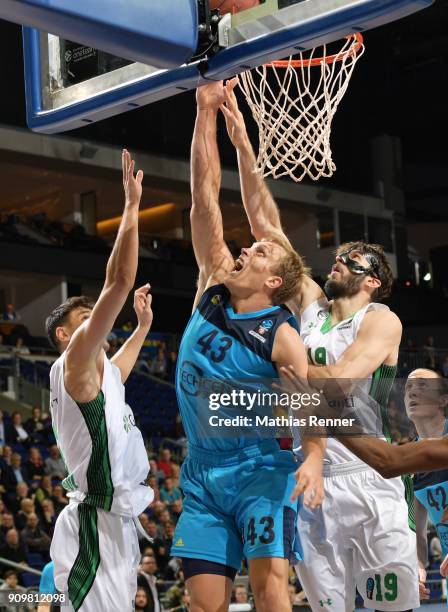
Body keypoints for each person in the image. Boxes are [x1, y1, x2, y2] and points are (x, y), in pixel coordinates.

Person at [220, 79, 419, 611]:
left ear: (373, 280)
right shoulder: (309, 307)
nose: (336, 261)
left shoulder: (381, 320)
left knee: (391, 607)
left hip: (366, 471)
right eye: (337, 256)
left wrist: (292, 372)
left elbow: (342, 382)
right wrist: (243, 146)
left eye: (351, 261)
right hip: (311, 477)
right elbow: (269, 227)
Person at [170, 82, 325, 612]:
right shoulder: (211, 285)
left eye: (257, 252)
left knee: (269, 591)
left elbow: (307, 400)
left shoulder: (281, 335)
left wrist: (315, 457)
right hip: (201, 470)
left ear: (275, 282)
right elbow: (203, 197)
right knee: (205, 603)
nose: (244, 248)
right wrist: (203, 112)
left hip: (260, 467)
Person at [45, 151, 154, 612]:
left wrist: (143, 327)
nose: (98, 327)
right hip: (94, 521)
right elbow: (119, 281)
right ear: (66, 336)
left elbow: (120, 371)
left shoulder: (98, 375)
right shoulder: (73, 363)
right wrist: (131, 207)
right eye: (87, 320)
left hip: (116, 521)